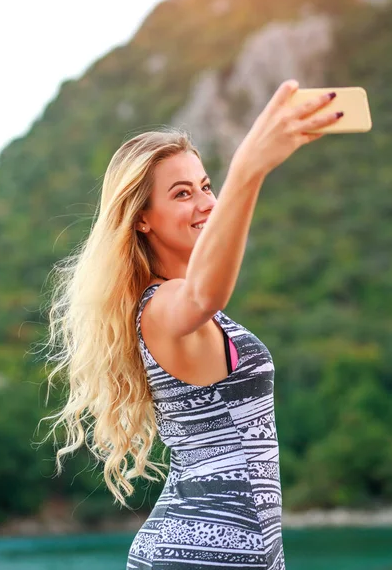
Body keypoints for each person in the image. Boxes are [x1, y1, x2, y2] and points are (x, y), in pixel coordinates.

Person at [41, 79, 342, 569]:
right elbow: (205, 291)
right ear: (143, 219)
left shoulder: (185, 307)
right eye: (182, 193)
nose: (205, 202)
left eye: (207, 186)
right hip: (196, 555)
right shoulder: (161, 305)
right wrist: (249, 167)